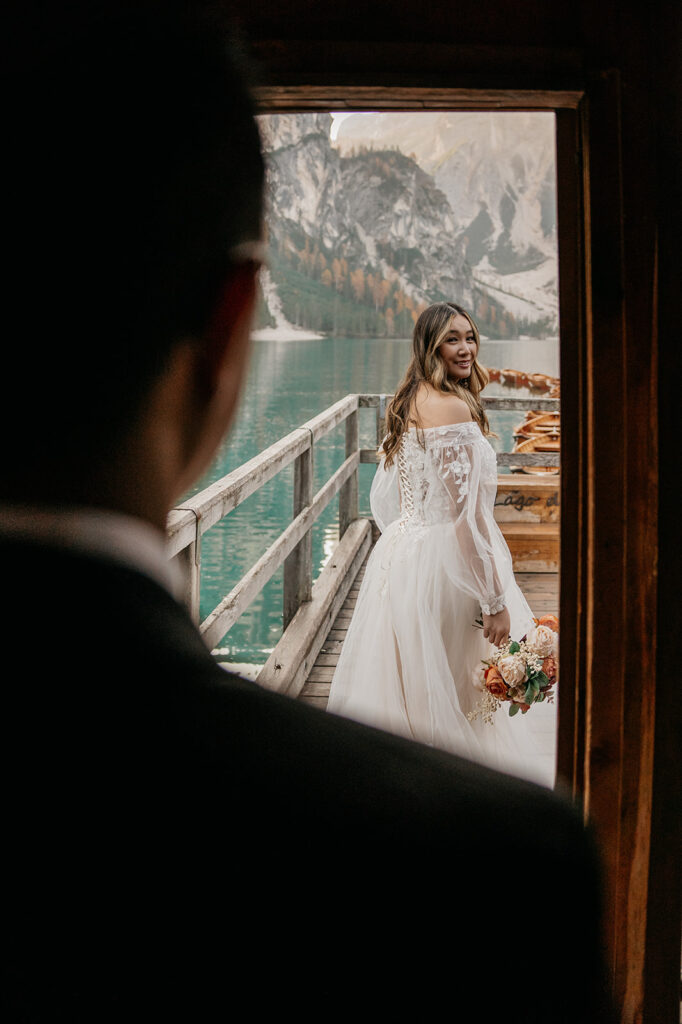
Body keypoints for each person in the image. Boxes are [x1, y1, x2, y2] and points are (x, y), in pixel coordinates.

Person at [1, 8, 611, 1021]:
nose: (464, 346)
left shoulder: (417, 406)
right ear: (233, 328)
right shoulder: (505, 872)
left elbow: (386, 499)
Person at [327, 302, 557, 787]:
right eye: (453, 339)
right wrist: (494, 599)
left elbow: (387, 497)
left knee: (415, 685)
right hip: (447, 567)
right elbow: (466, 518)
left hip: (402, 556)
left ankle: (409, 787)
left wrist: (409, 538)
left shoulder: (410, 397)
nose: (467, 348)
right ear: (430, 346)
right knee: (460, 692)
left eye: (471, 338)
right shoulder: (451, 407)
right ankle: (459, 793)